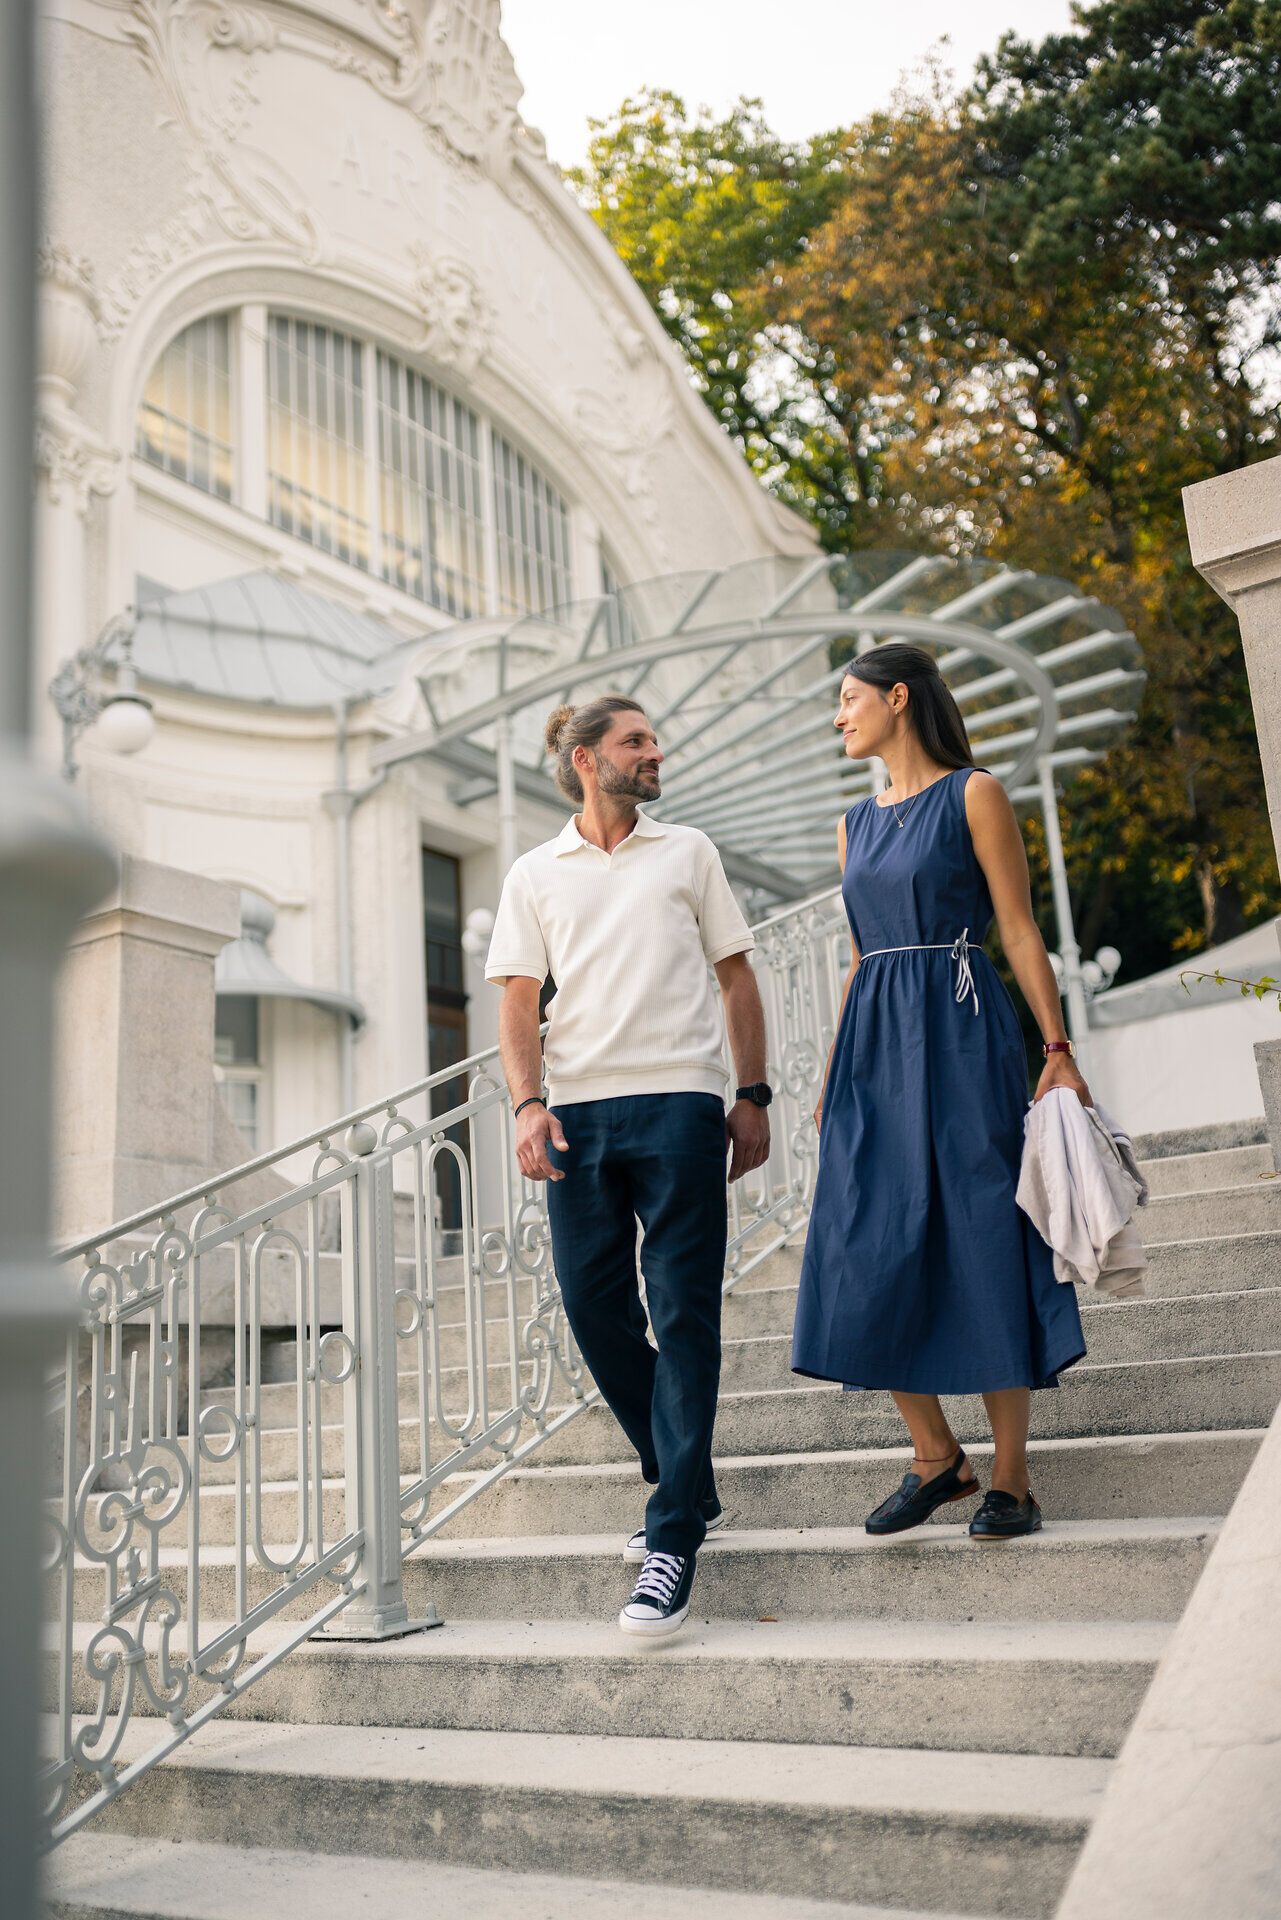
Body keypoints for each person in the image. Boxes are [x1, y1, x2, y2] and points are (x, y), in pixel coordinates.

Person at [485, 694, 772, 1637]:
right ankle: (684, 1476)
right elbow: (519, 999)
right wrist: (526, 1103)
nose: (656, 753)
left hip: (685, 1100)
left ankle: (671, 1539)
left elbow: (735, 974)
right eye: (634, 741)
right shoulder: (535, 873)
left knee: (684, 1311)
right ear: (582, 759)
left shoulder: (688, 852)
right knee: (590, 1303)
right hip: (576, 1111)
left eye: (651, 740)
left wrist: (752, 1093)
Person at [791, 643, 1088, 1541]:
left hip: (963, 1036)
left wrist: (1056, 1046)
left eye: (847, 701)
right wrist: (836, 1064)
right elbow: (856, 957)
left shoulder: (974, 794)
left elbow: (1017, 926)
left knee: (981, 1232)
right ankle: (934, 1456)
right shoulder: (852, 821)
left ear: (897, 697)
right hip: (876, 1045)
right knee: (858, 1239)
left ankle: (1009, 1477)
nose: (838, 718)